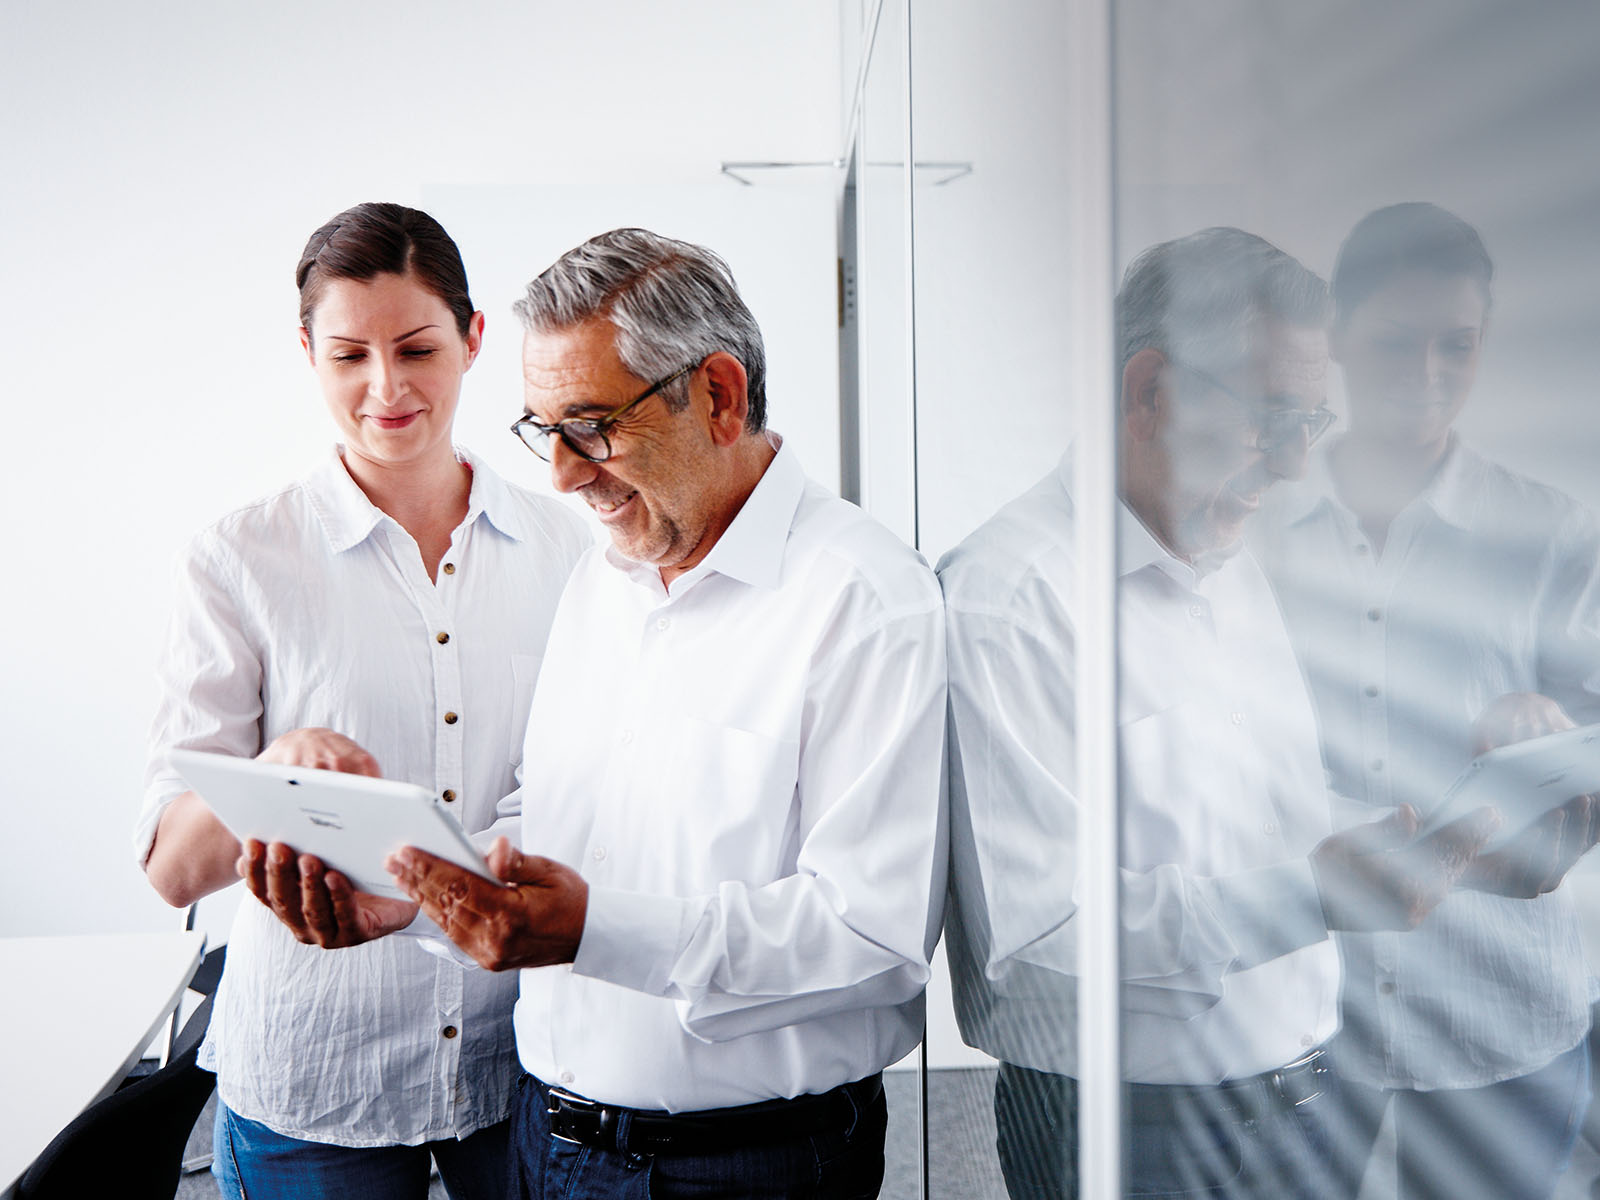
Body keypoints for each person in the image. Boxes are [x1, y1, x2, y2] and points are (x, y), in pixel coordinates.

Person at [246, 227, 948, 1199]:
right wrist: (415, 896)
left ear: (717, 395)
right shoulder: (603, 582)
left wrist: (593, 932)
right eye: (544, 431)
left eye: (591, 425)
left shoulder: (865, 598)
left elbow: (873, 936)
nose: (564, 476)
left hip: (745, 1167)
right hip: (551, 1141)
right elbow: (561, 818)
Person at [939, 227, 1498, 1199]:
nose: (1290, 467)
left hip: (1306, 1102)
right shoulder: (1010, 596)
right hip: (1130, 1129)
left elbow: (1257, 815)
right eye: (1272, 417)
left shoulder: (1228, 559)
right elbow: (1037, 941)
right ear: (1149, 392)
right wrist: (1314, 896)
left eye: (1309, 423)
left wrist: (1434, 831)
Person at [135, 202, 592, 1200]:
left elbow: (589, 795)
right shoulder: (237, 558)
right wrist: (274, 773)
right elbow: (175, 869)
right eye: (348, 355)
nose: (385, 387)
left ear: (473, 341)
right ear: (307, 353)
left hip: (519, 1060)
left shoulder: (570, 552)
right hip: (315, 1074)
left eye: (416, 348)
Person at [1250, 202, 1600, 1200]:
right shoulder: (1258, 528)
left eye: (1459, 345)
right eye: (1396, 342)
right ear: (1342, 346)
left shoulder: (1549, 531)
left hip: (1500, 1008)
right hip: (1311, 1003)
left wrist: (1556, 732)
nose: (1429, 373)